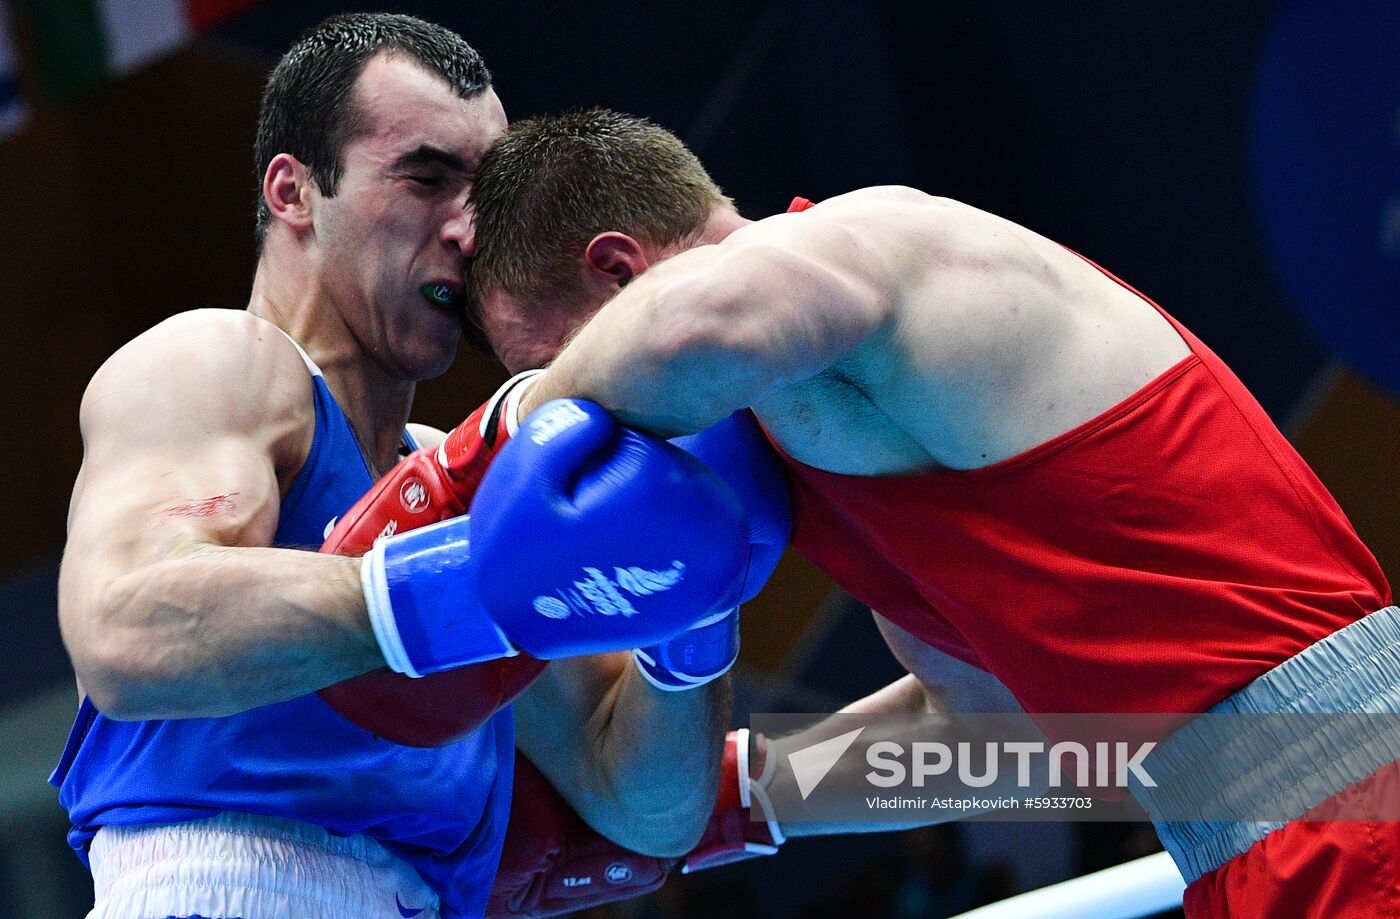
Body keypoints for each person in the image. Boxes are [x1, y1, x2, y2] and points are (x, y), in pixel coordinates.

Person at [461, 108, 1398, 917]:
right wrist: (729, 798)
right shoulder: (834, 440)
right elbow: (992, 735)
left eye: (557, 371)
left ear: (623, 273)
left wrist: (479, 462)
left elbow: (689, 328)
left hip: (1344, 792)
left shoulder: (857, 244)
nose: (585, 433)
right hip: (1270, 830)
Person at [50, 18, 782, 919]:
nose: (470, 230)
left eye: (486, 191)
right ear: (294, 191)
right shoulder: (220, 363)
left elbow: (642, 802)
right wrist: (471, 582)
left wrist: (693, 611)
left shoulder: (449, 472)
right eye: (427, 177)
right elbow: (128, 630)